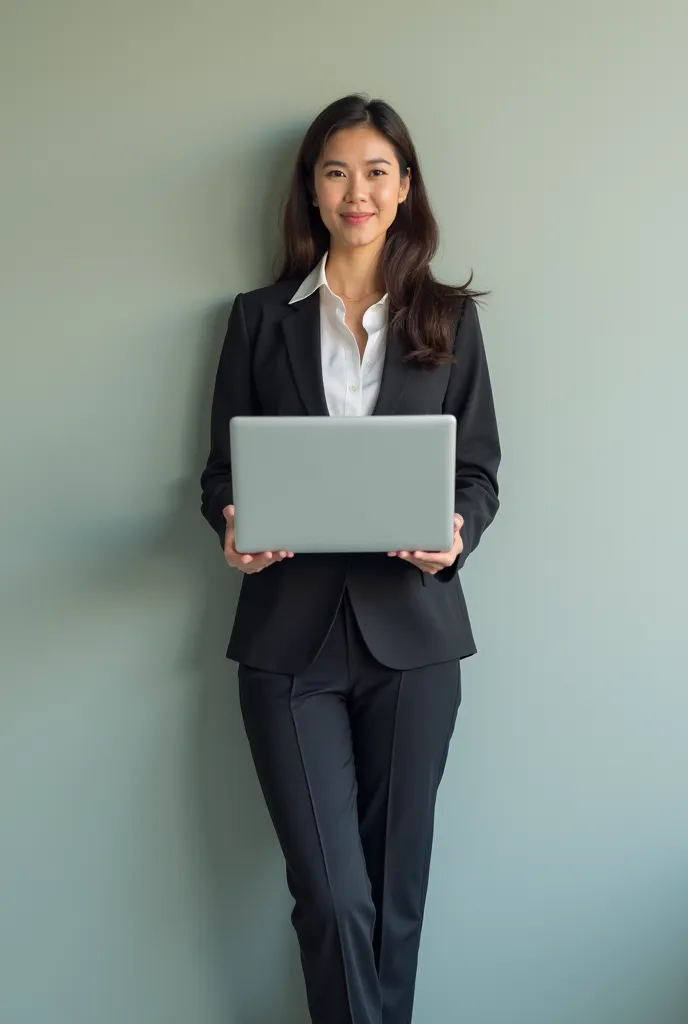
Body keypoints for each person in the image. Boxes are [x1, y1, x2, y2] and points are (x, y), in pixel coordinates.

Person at [200, 93, 501, 1024]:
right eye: (337, 171)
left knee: (393, 901)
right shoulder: (257, 319)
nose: (357, 190)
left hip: (415, 639)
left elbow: (480, 474)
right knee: (334, 898)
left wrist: (455, 534)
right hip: (288, 646)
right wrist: (233, 524)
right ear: (314, 191)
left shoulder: (448, 319)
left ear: (404, 187)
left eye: (376, 171)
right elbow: (219, 473)